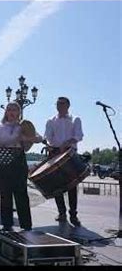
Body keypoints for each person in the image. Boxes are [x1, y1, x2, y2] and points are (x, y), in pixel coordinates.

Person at [0, 102, 43, 231]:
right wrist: (14, 139)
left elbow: (40, 138)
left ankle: (26, 226)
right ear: (6, 112)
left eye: (15, 110)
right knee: (5, 194)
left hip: (19, 160)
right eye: (9, 110)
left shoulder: (22, 126)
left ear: (19, 113)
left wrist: (27, 137)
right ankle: (7, 225)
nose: (12, 112)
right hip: (4, 160)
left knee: (22, 194)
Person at [44, 97, 84, 227]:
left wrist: (67, 143)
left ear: (68, 105)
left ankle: (73, 214)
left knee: (72, 185)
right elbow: (48, 137)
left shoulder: (75, 119)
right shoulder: (50, 121)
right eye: (58, 104)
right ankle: (61, 213)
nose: (59, 106)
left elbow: (79, 135)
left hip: (69, 153)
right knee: (57, 187)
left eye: (62, 104)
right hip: (55, 153)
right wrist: (48, 144)